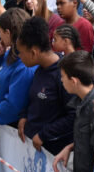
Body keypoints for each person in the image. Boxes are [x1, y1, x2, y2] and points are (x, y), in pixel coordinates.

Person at [16, 16, 75, 154]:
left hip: (53, 151)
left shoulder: (65, 74)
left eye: (21, 53)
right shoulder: (39, 69)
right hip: (32, 146)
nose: (19, 57)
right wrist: (24, 115)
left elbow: (73, 115)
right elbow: (34, 98)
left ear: (34, 52)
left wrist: (44, 135)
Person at [0, 8, 35, 127]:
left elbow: (14, 104)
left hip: (12, 125)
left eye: (0, 31)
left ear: (8, 33)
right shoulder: (11, 53)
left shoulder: (25, 65)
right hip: (2, 121)